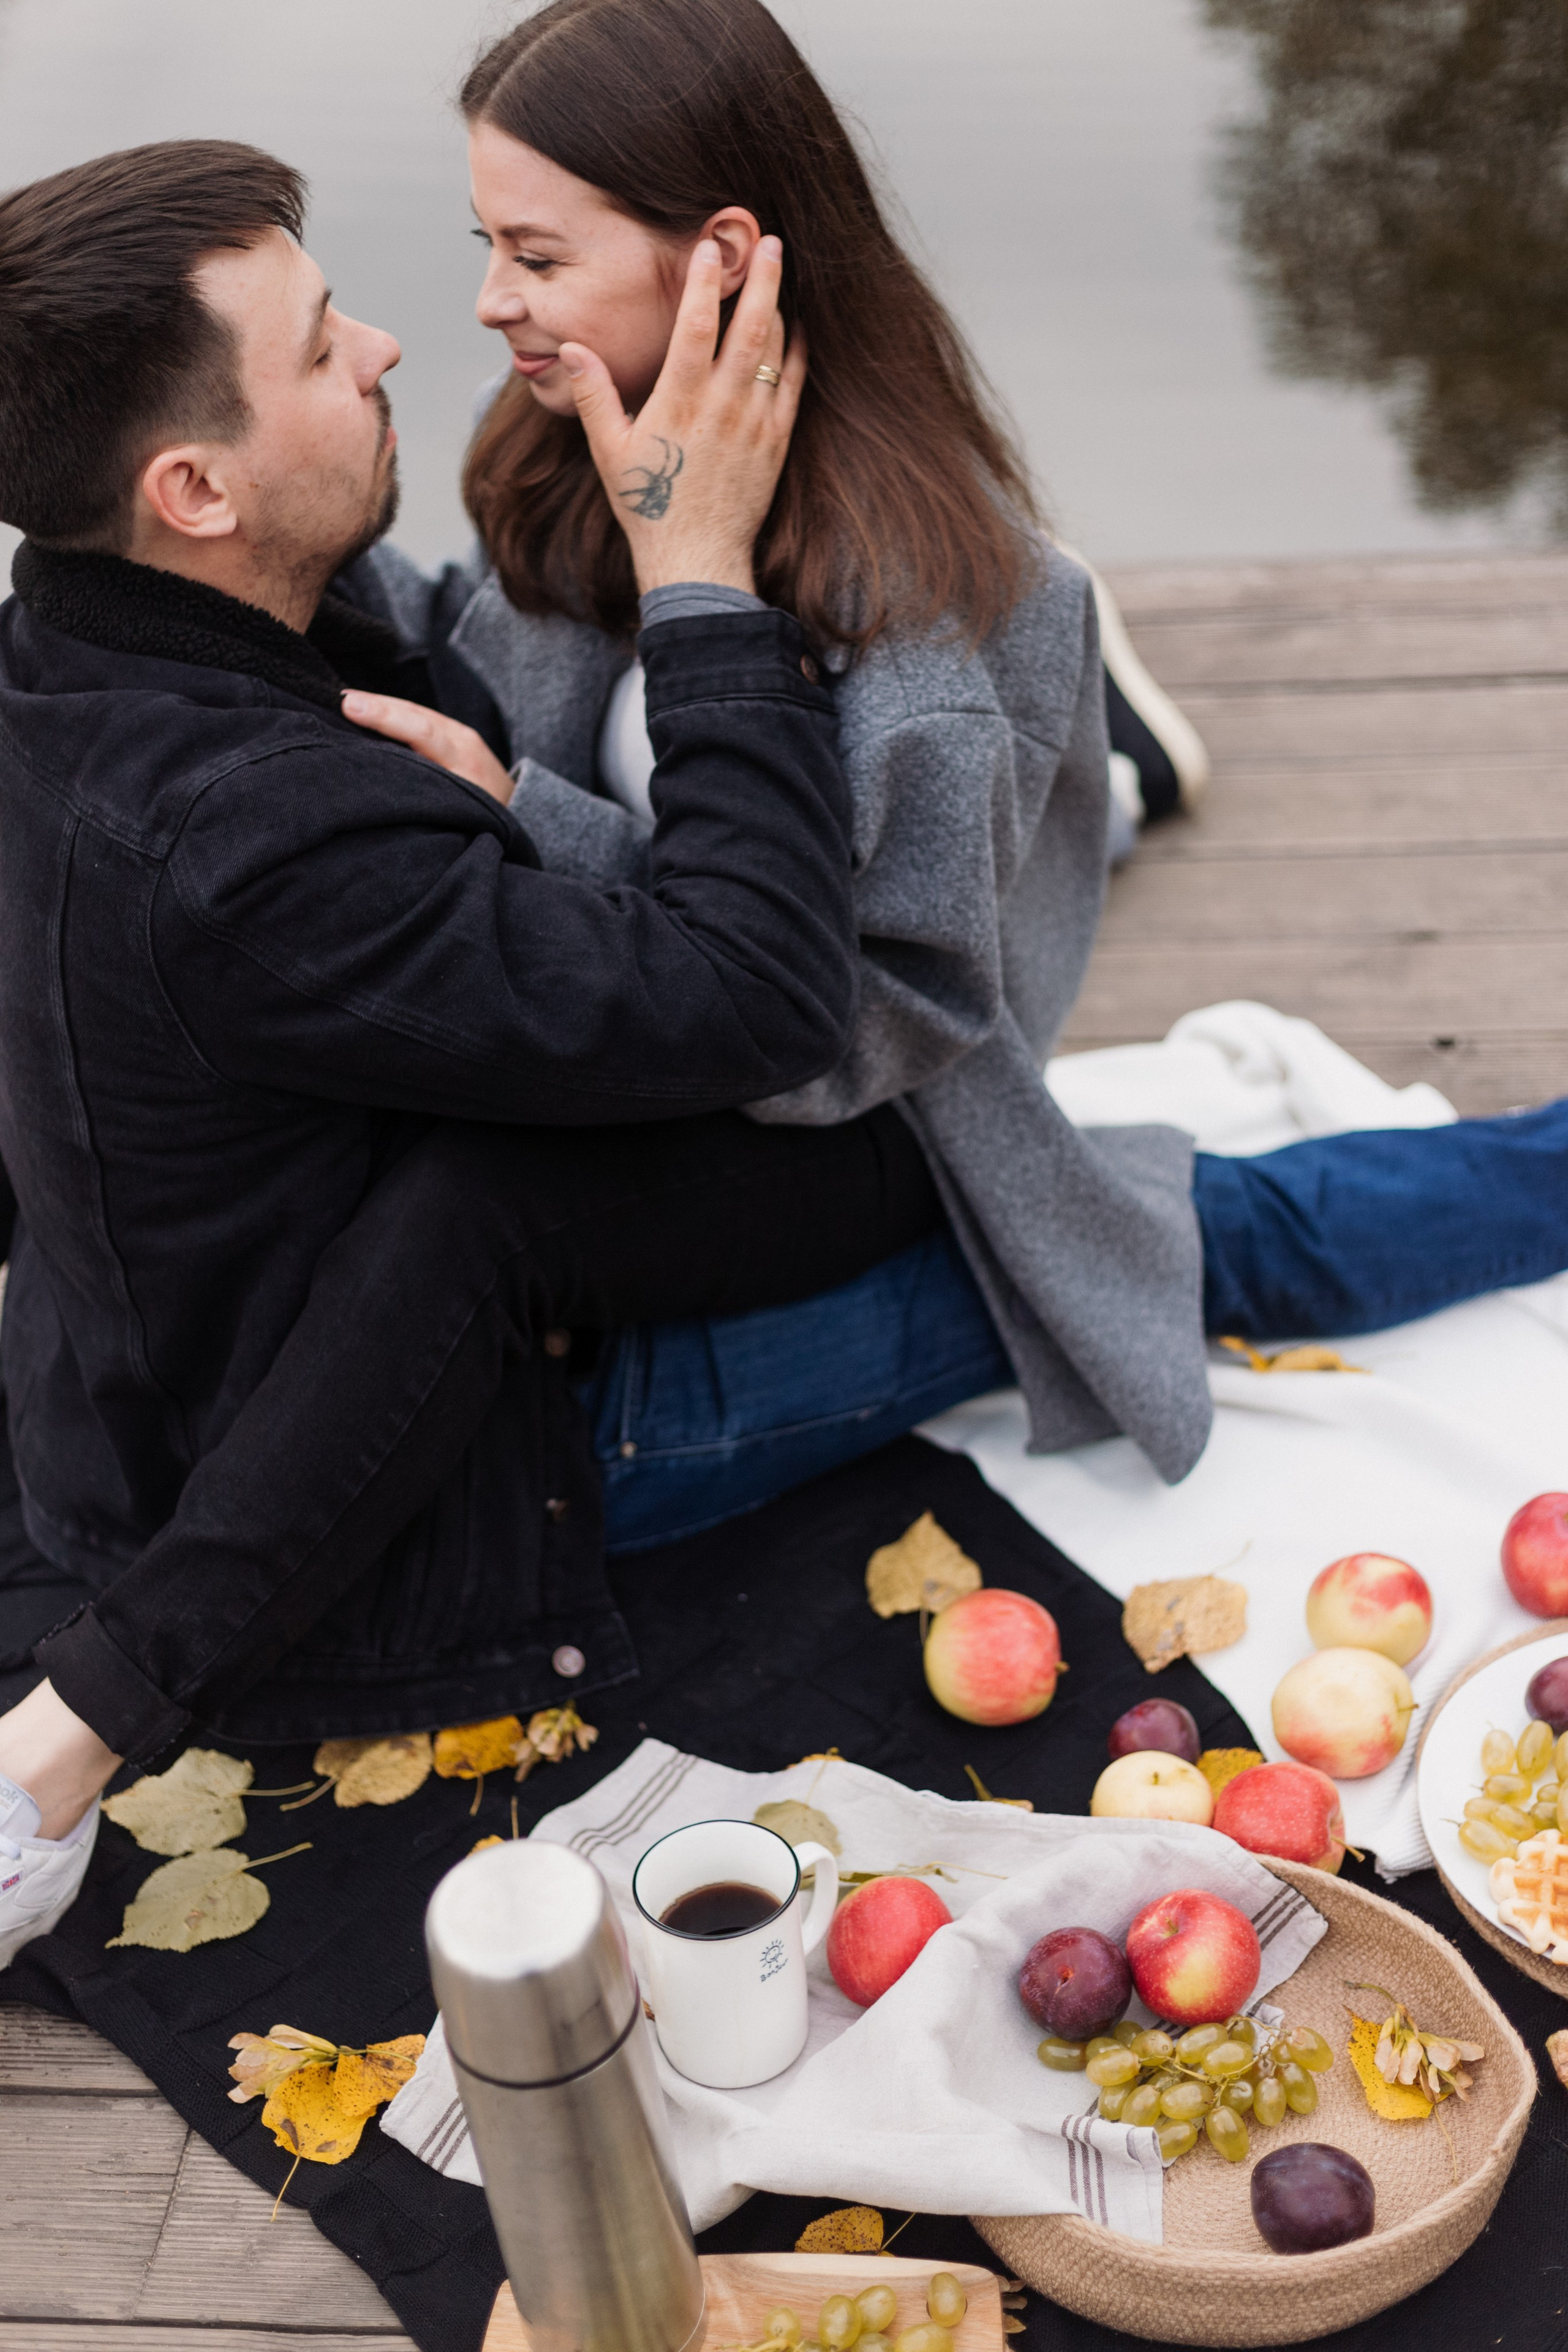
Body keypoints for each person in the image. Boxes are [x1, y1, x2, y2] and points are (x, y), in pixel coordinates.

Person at [341, 0, 1568, 1558]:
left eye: (534, 254)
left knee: (1209, 1234)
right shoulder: (563, 424)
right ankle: (1100, 777)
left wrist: (520, 813)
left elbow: (861, 1035)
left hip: (870, 1112)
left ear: (718, 255)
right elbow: (476, 635)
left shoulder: (928, 628)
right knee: (976, 816)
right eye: (485, 243)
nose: (486, 300)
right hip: (665, 997)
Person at [0, 135, 951, 1961]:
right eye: (314, 343)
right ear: (192, 486)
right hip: (441, 1471)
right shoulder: (248, 841)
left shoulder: (92, 645)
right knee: (1158, 1211)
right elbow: (766, 1003)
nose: (384, 346)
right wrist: (697, 576)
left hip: (253, 1344)